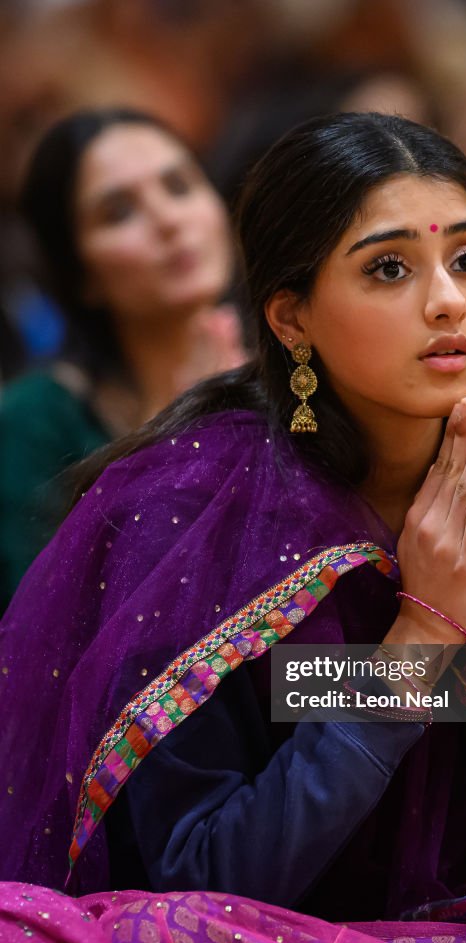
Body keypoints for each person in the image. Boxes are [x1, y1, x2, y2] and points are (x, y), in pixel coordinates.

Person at [0, 112, 466, 943]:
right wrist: (413, 651)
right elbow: (204, 881)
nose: (446, 302)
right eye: (388, 269)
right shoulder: (186, 513)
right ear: (290, 317)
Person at [0, 107, 245, 609]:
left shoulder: (303, 367)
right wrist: (184, 450)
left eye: (179, 186)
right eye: (119, 212)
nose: (169, 220)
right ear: (80, 274)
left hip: (322, 681)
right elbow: (39, 645)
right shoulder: (38, 422)